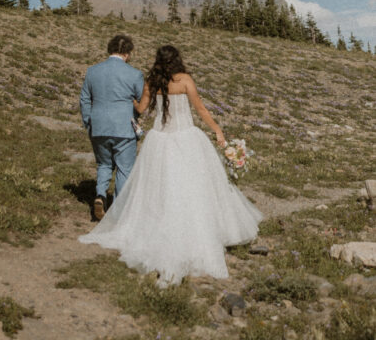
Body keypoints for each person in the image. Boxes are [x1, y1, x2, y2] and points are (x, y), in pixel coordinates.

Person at [79, 43, 263, 285]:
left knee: (161, 188)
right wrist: (217, 130)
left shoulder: (152, 82)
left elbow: (141, 108)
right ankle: (197, 230)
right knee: (193, 186)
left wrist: (126, 99)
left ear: (158, 61)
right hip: (186, 137)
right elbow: (200, 109)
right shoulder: (185, 80)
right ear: (176, 59)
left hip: (160, 140)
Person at [79, 34, 147, 221]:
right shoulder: (134, 74)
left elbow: (85, 99)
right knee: (124, 168)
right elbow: (142, 100)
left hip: (98, 125)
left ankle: (100, 195)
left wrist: (89, 121)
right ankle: (118, 212)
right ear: (127, 53)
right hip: (124, 127)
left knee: (104, 164)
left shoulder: (93, 71)